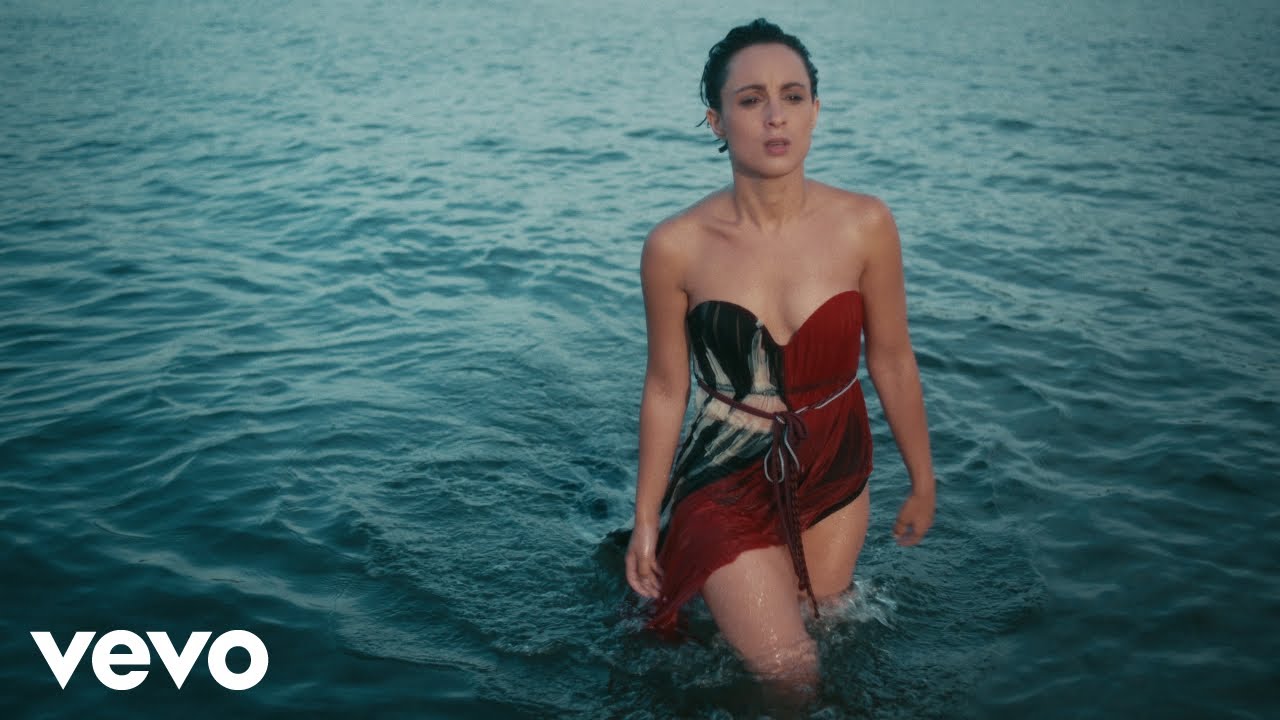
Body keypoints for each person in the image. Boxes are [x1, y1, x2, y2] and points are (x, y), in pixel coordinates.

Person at [624, 18, 937, 694]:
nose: (775, 116)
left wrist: (923, 478)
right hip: (723, 467)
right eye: (750, 99)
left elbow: (892, 359)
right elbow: (665, 388)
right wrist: (645, 518)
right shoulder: (675, 246)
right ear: (716, 121)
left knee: (825, 622)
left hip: (836, 460)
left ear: (815, 110)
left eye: (792, 96)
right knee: (792, 671)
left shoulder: (866, 225)